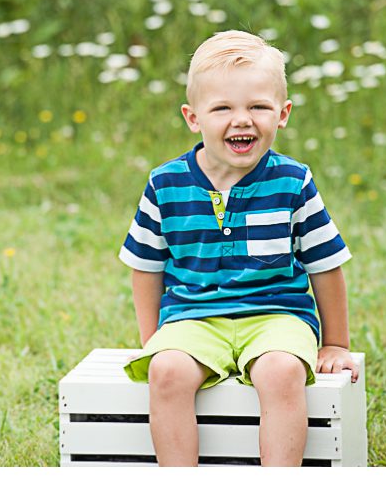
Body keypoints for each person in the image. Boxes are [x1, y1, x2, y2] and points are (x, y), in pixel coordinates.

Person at [120, 30, 361, 467]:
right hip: (193, 316)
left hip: (277, 316)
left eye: (258, 107)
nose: (242, 120)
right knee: (167, 370)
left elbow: (326, 266)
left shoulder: (293, 182)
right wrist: (153, 340)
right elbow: (145, 266)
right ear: (193, 117)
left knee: (281, 371)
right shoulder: (165, 184)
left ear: (282, 113)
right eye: (223, 109)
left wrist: (336, 343)